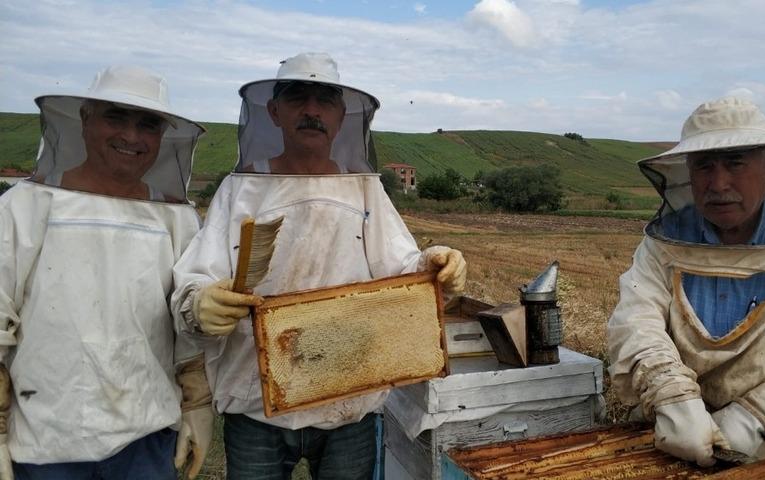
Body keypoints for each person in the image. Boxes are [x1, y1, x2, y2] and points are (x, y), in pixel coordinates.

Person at [171, 52, 467, 479]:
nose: (311, 110)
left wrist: (434, 263)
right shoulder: (241, 190)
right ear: (273, 111)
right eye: (297, 98)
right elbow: (198, 277)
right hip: (258, 403)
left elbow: (401, 269)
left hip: (350, 400)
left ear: (342, 115)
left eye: (324, 100)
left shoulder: (364, 190)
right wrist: (199, 302)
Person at [607, 96, 765, 479]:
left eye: (736, 162)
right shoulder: (664, 241)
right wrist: (670, 393)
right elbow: (636, 320)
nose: (719, 183)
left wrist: (758, 414)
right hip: (678, 441)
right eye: (704, 166)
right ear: (688, 172)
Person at [0, 66, 214, 479]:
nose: (131, 136)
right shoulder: (25, 206)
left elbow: (187, 326)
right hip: (46, 440)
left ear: (163, 135)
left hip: (148, 436)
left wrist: (197, 406)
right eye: (115, 117)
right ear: (85, 118)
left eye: (148, 124)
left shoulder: (178, 219)